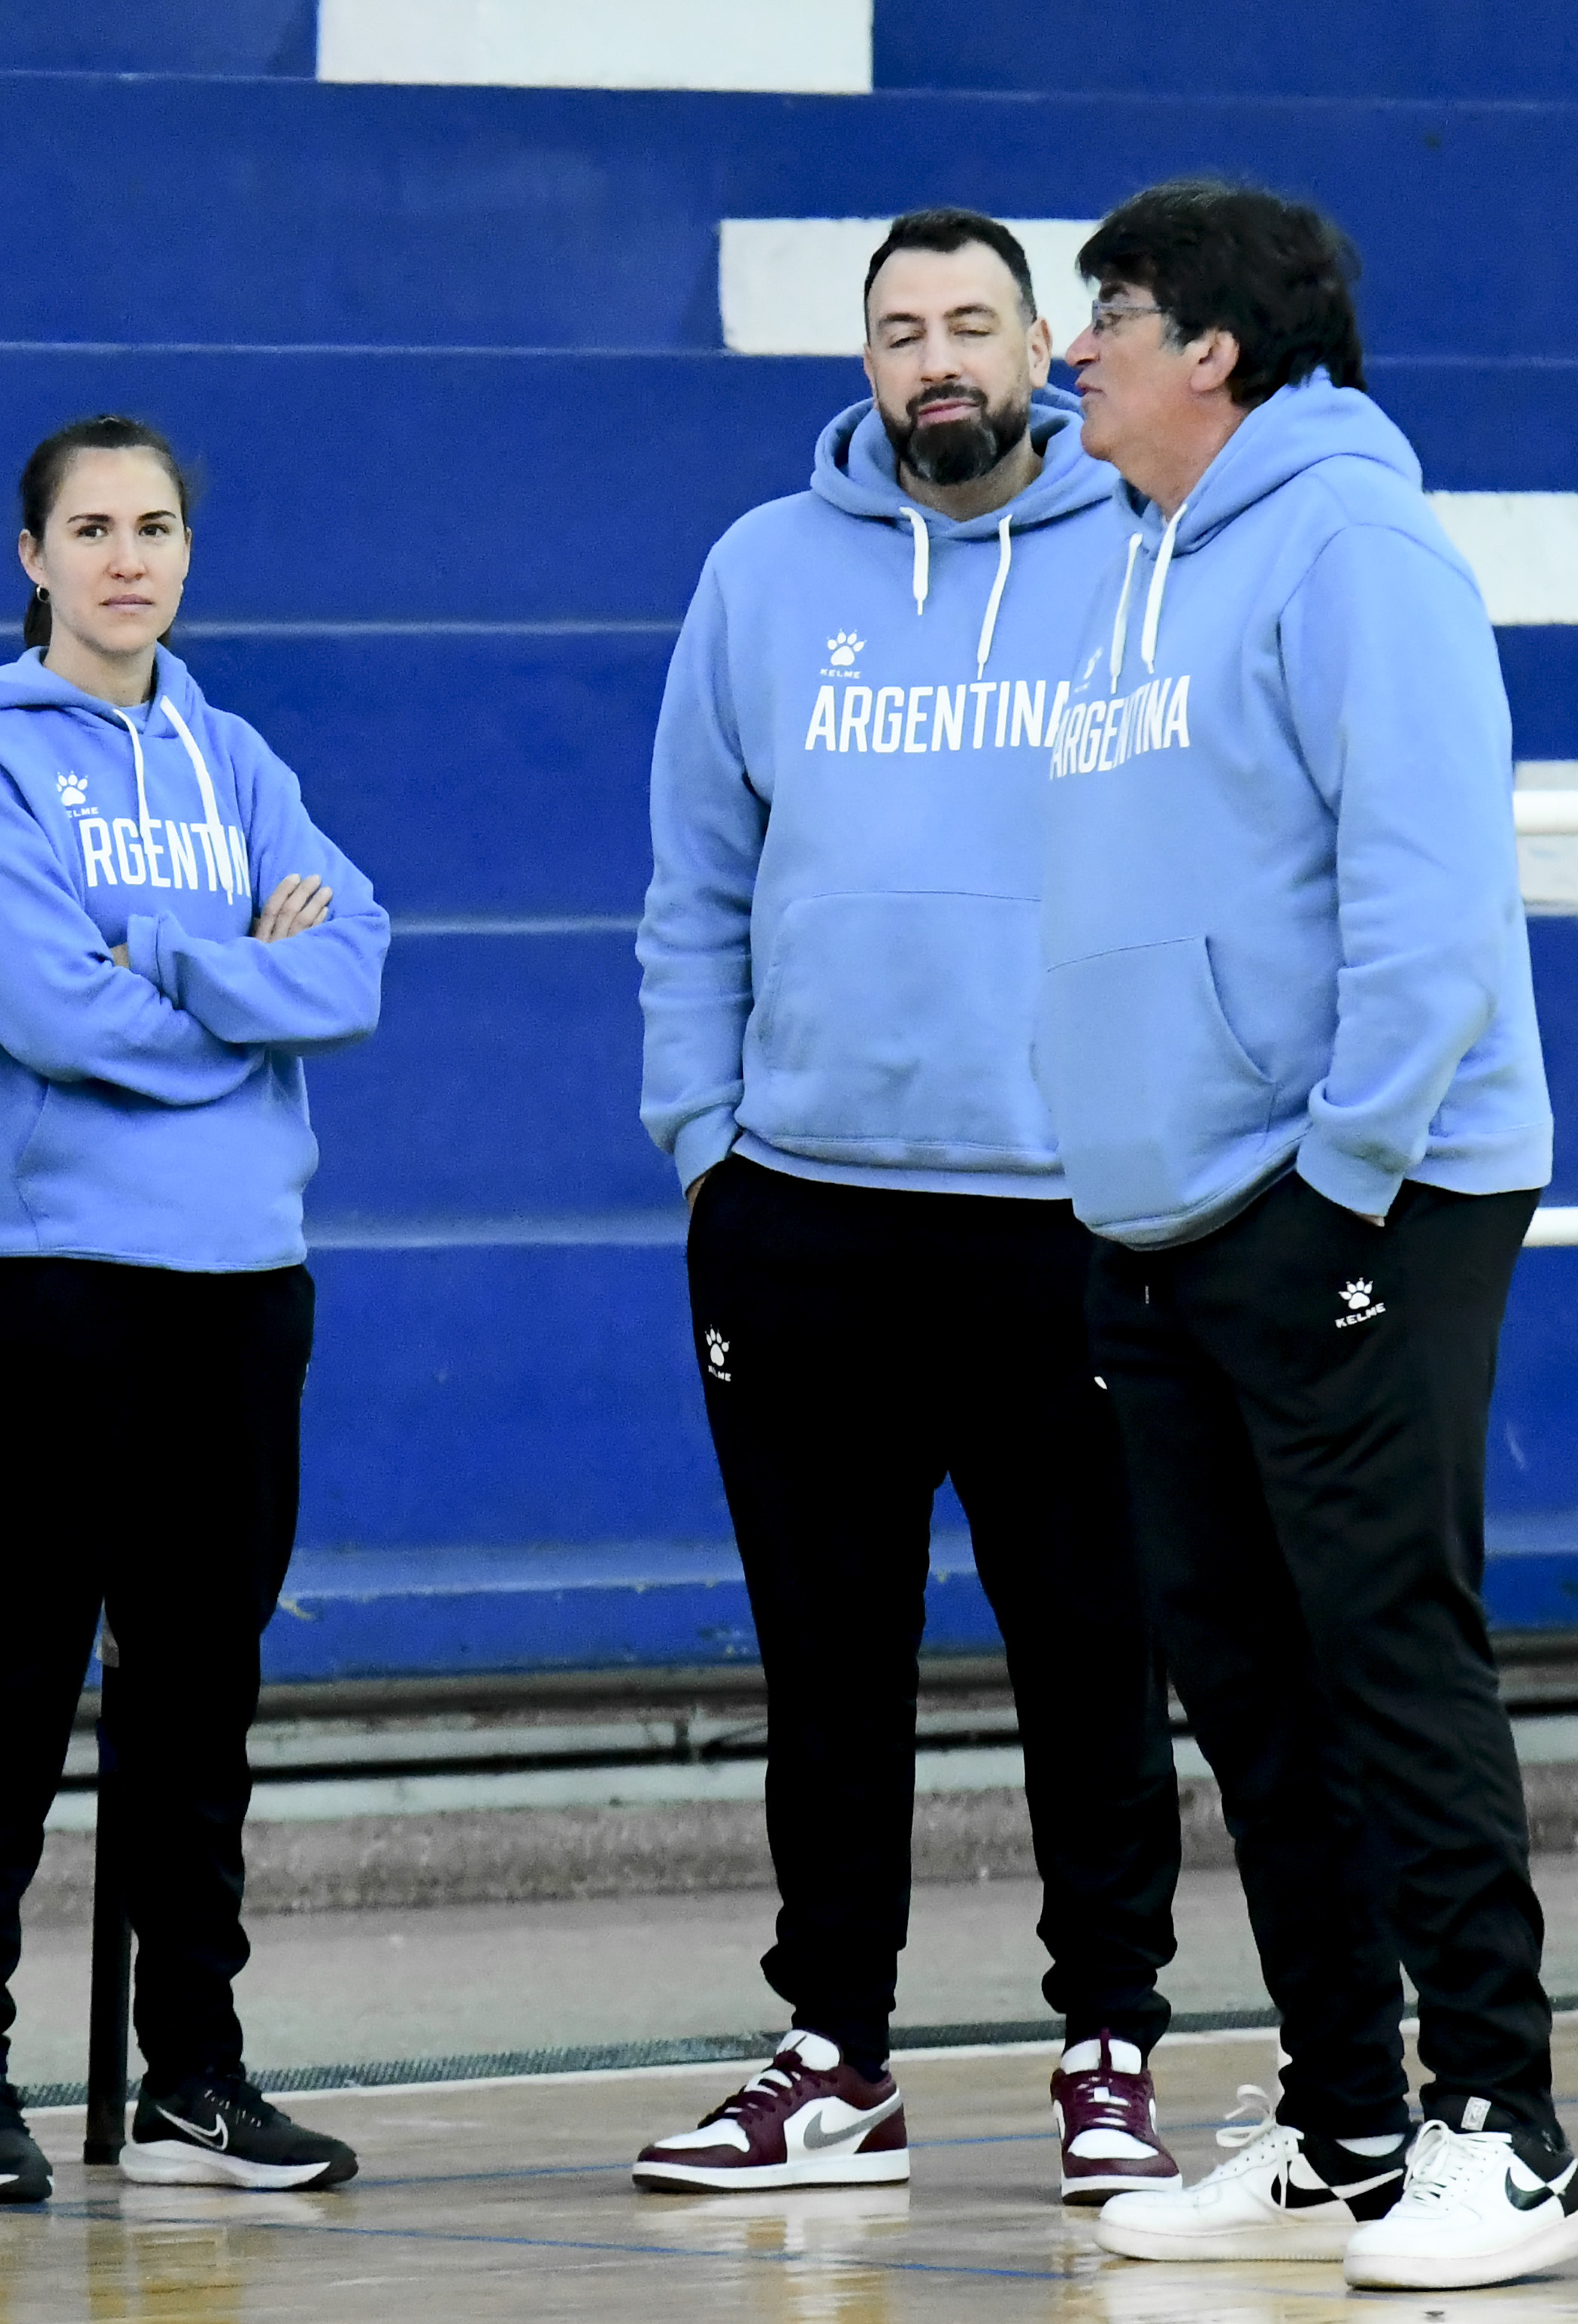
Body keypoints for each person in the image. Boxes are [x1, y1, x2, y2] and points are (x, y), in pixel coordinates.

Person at [1037, 181, 1578, 2291]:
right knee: (1249, 1685)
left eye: (1117, 314)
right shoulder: (1132, 560)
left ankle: (1507, 2128)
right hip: (1161, 1216)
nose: (1078, 349)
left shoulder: (1360, 548)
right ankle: (1351, 2116)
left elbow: (1431, 904)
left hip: (1365, 1191)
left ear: (1224, 355)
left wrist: (1337, 1181)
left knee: (1387, 1652)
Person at [631, 210, 1186, 2199]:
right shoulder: (764, 576)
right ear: (863, 362)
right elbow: (693, 884)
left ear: (1042, 347)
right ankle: (832, 2058)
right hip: (807, 1224)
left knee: (1091, 1658)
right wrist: (709, 1140)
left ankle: (1111, 2043)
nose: (933, 359)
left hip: (1076, 1222)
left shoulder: (1148, 563)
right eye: (898, 331)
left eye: (969, 324)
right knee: (830, 1664)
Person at [0, 416, 389, 2204]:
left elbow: (354, 965)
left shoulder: (235, 752)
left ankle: (194, 2073)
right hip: (51, 1285)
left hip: (241, 1286)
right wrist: (236, 985)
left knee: (202, 1688)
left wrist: (168, 958)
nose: (130, 557)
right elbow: (48, 1011)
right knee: (17, 1673)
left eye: (158, 525)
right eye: (92, 527)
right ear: (31, 555)